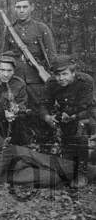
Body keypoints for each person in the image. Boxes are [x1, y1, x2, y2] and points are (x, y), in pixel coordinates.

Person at [39, 55, 96, 188]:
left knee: (80, 126)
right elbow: (43, 104)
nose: (61, 78)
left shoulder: (85, 81)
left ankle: (81, 172)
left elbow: (86, 106)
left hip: (86, 114)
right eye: (58, 75)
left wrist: (73, 116)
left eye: (65, 74)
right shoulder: (51, 83)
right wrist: (47, 117)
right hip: (65, 115)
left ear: (73, 72)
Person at [2, 0, 56, 108]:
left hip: (38, 79)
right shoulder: (10, 30)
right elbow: (4, 57)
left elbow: (52, 57)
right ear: (14, 8)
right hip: (17, 79)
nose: (21, 10)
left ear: (32, 7)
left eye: (25, 7)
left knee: (40, 112)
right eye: (18, 7)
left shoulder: (41, 28)